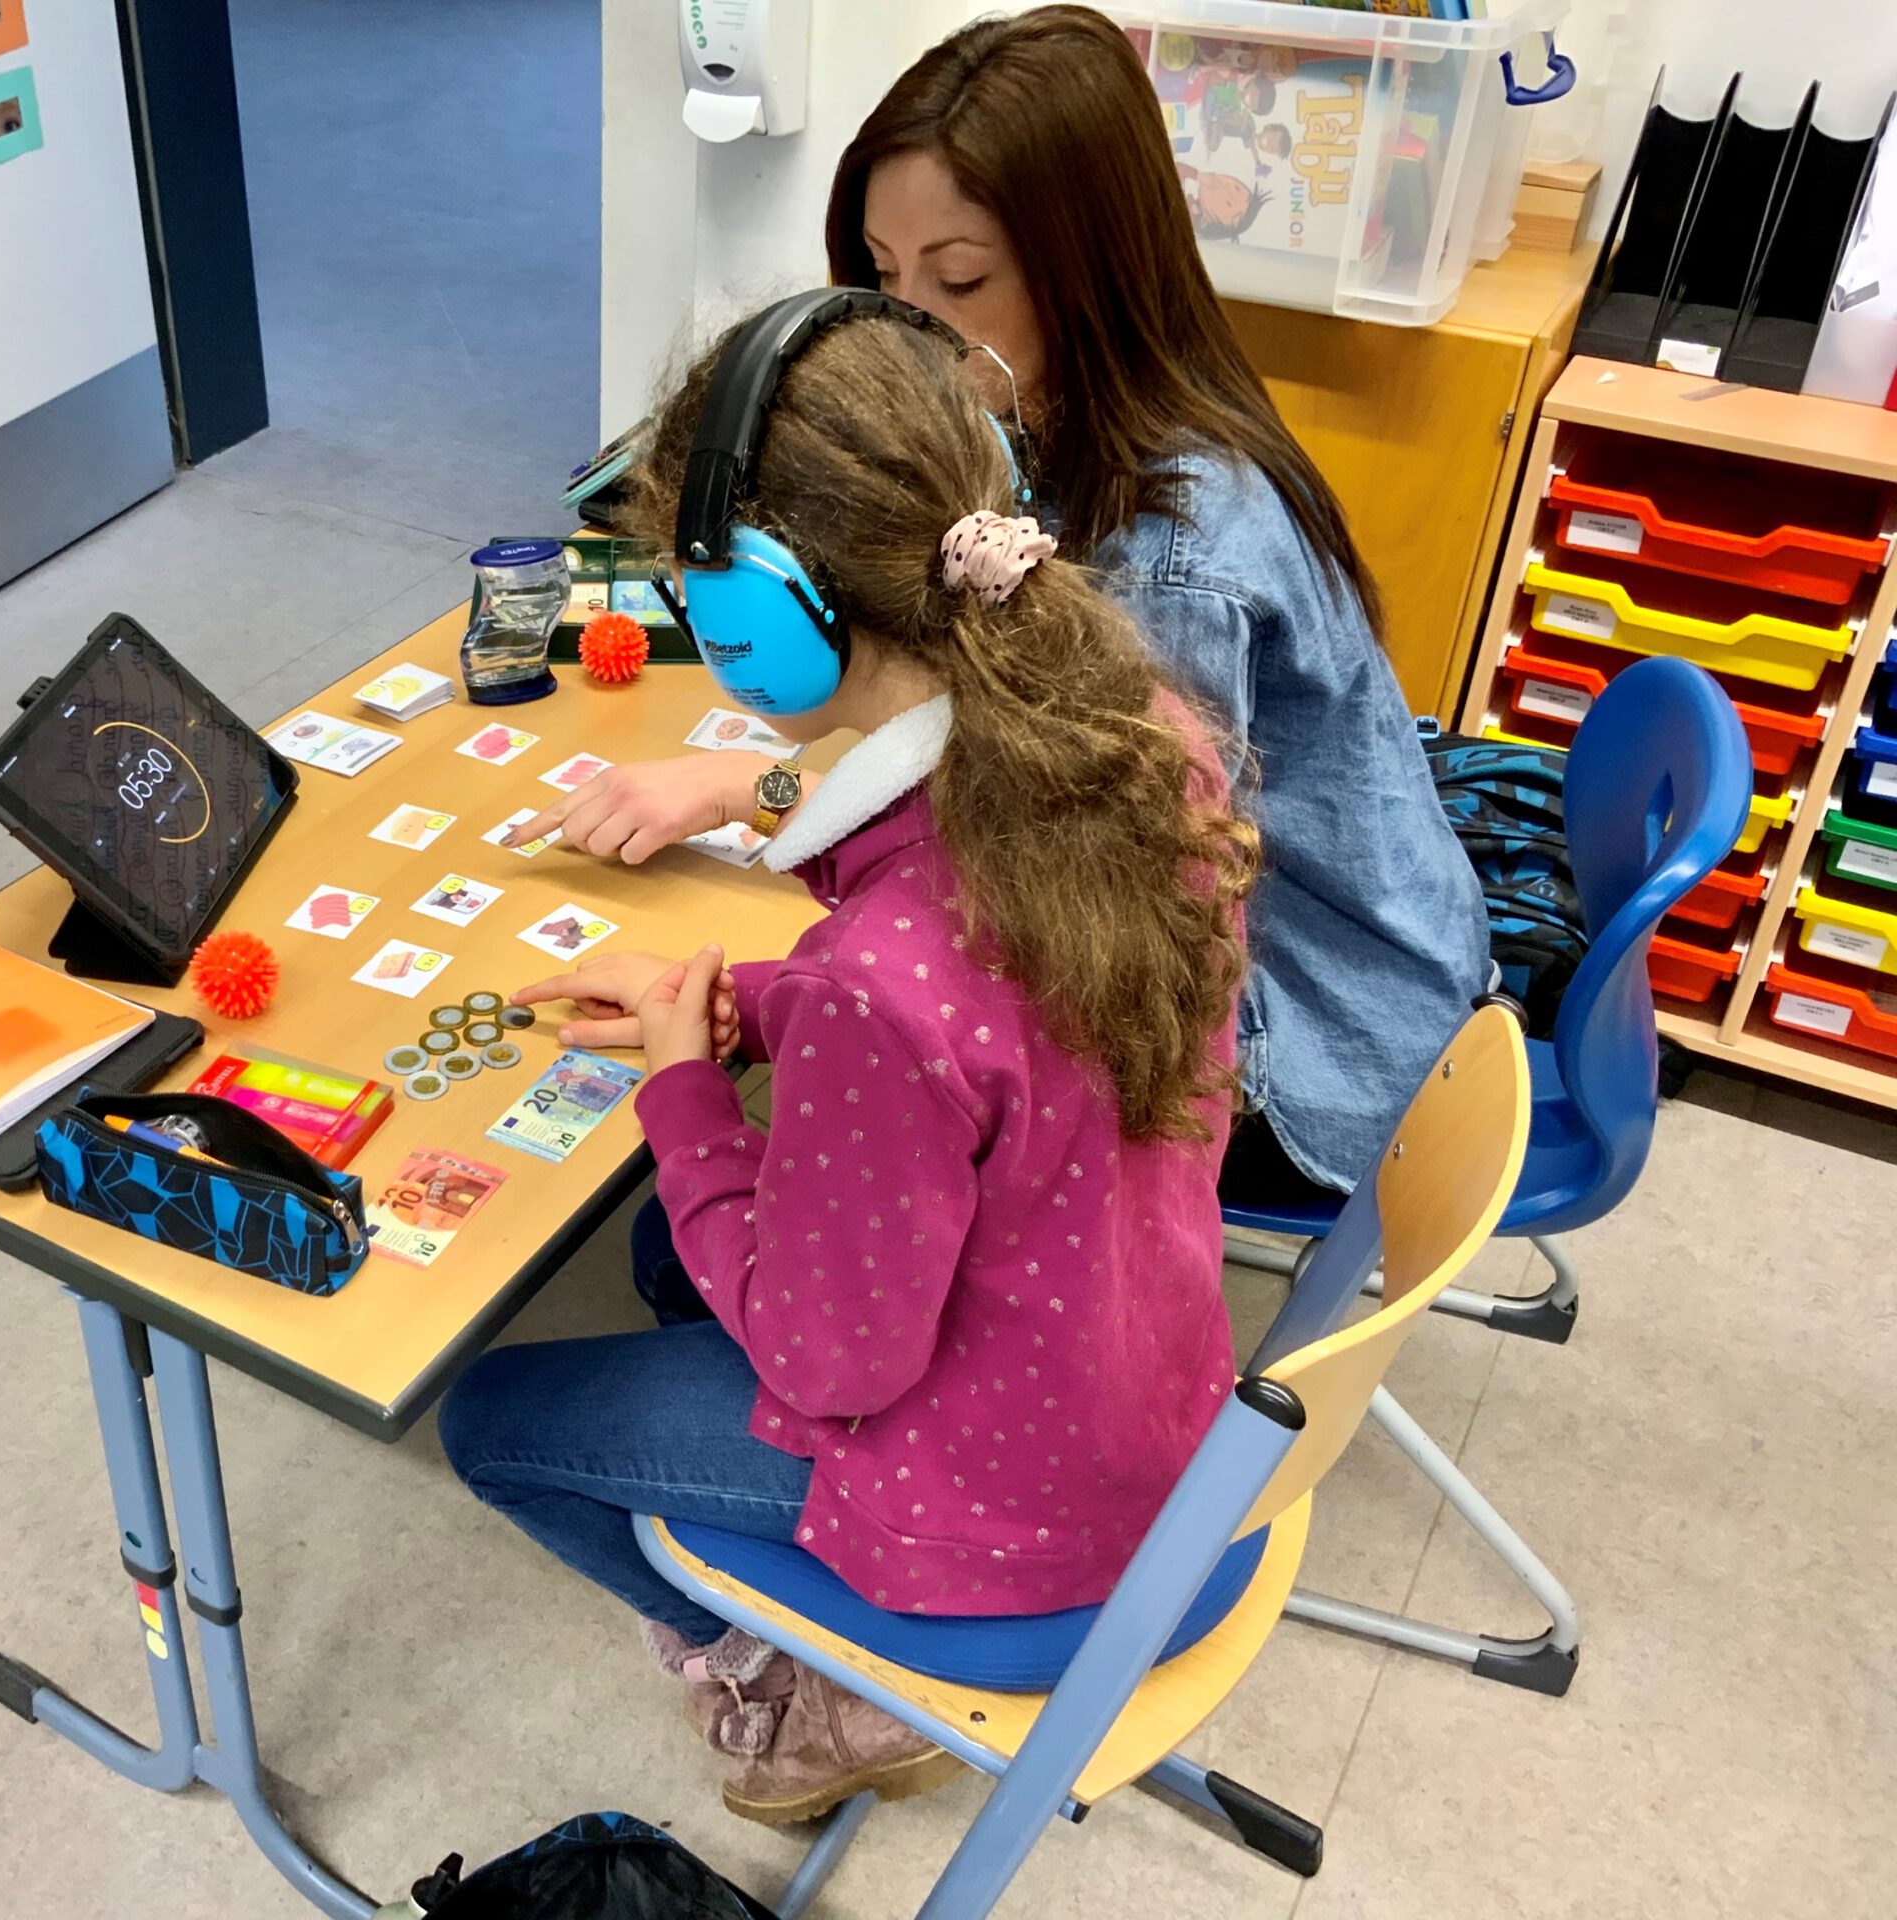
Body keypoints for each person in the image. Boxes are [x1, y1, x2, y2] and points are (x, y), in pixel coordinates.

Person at [439, 302, 1257, 1823]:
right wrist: (756, 1005)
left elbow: (834, 1362)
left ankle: (807, 1704)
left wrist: (690, 1087)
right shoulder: (1143, 738)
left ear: (765, 615)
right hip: (1156, 1387)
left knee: (491, 1421)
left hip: (1017, 1525)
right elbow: (1014, 1035)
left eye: (695, 595)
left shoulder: (889, 979)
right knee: (658, 1247)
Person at [531, 6, 1489, 1203]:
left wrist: (747, 794)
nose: (903, 332)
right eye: (879, 278)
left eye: (961, 280)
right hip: (1298, 954)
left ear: (1090, 271)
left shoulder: (1167, 558)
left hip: (1311, 1039)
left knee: (775, 1164)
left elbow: (1040, 886)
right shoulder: (1064, 433)